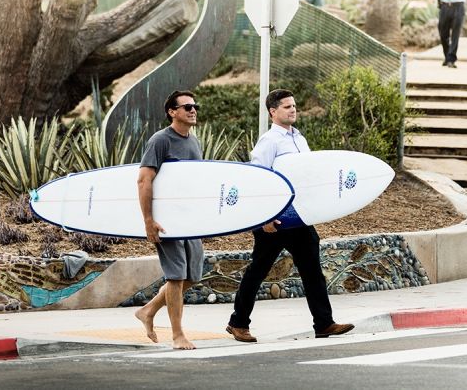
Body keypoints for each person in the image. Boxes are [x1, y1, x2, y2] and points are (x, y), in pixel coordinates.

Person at [226, 89, 354, 343]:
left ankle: (324, 323)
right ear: (273, 112)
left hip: (298, 217)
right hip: (274, 219)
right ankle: (238, 323)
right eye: (287, 106)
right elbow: (257, 178)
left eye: (294, 105)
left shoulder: (299, 139)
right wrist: (264, 218)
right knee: (258, 270)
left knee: (312, 270)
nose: (293, 109)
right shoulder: (269, 141)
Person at [135, 90, 204, 350]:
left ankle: (148, 310)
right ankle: (177, 335)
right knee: (176, 277)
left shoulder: (194, 142)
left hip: (189, 220)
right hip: (166, 221)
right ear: (172, 112)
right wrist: (149, 220)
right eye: (187, 107)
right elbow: (144, 180)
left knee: (193, 276)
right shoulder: (160, 140)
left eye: (195, 106)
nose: (193, 110)